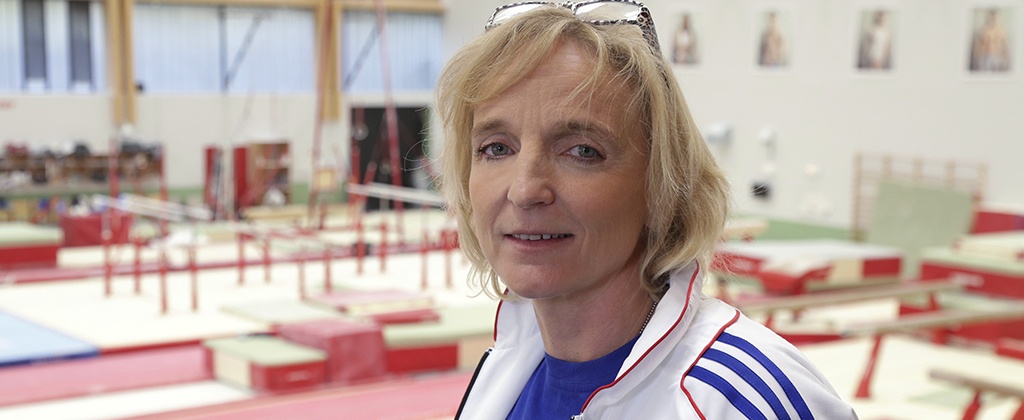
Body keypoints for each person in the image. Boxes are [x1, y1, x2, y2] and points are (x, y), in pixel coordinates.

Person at [435, 1, 857, 418]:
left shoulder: (740, 400)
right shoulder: (507, 369)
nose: (525, 190)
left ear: (660, 189)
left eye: (582, 151)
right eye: (495, 148)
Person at [969, 8, 1010, 72]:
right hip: (984, 57)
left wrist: (1006, 59)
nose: (992, 19)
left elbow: (1005, 46)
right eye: (990, 17)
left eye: (994, 18)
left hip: (997, 56)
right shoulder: (983, 30)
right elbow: (978, 45)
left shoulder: (1001, 31)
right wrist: (975, 59)